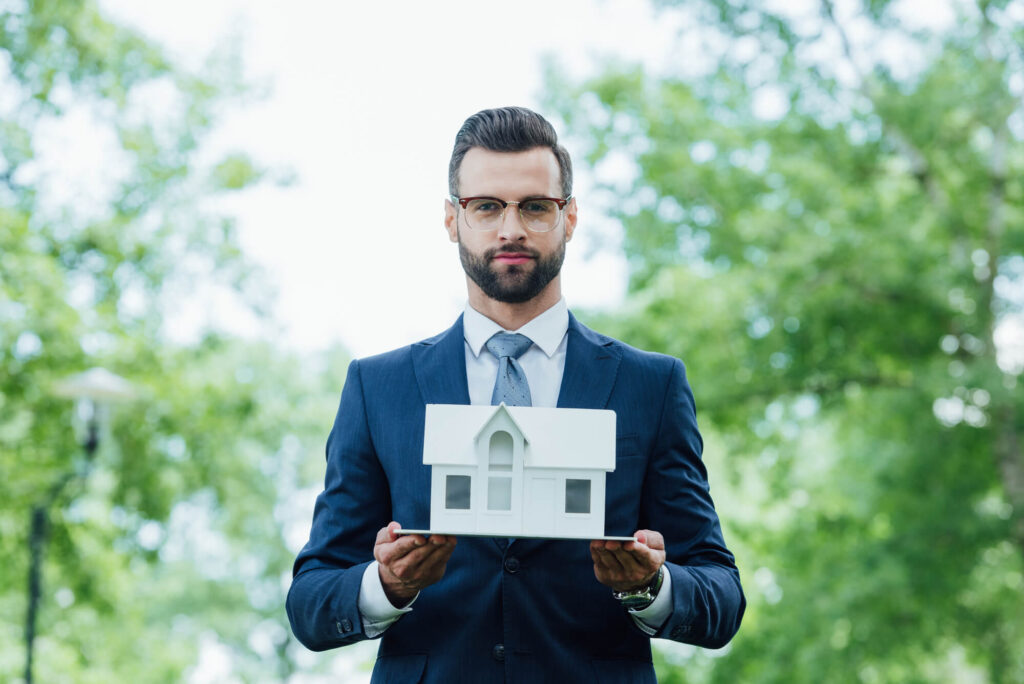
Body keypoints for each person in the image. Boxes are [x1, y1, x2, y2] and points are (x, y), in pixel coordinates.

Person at [287, 106, 744, 683]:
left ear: (570, 217)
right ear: (453, 220)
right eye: (486, 207)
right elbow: (310, 603)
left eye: (535, 206)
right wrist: (387, 585)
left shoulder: (649, 386)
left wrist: (649, 586)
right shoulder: (378, 388)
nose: (511, 230)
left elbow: (722, 596)